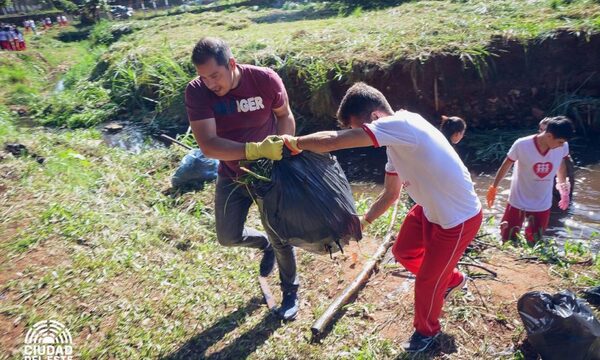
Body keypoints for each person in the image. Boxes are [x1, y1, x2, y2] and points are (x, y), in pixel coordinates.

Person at [279, 82, 483, 353]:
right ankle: (454, 279)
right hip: (429, 209)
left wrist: (293, 143)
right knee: (404, 252)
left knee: (426, 281)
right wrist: (362, 222)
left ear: (375, 117)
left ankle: (427, 332)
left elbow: (336, 141)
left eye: (358, 128)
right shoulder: (394, 145)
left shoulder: (403, 125)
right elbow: (390, 194)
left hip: (457, 217)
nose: (358, 136)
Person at [184, 37, 300, 320]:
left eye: (215, 75)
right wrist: (252, 149)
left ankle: (290, 291)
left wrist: (282, 146)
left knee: (281, 235)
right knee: (227, 236)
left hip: (267, 173)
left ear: (231, 64)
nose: (211, 83)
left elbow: (284, 115)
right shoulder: (197, 92)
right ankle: (264, 245)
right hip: (231, 174)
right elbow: (208, 145)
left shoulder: (264, 80)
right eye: (204, 77)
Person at [486, 116, 574, 243]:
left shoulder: (562, 146)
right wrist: (494, 187)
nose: (562, 145)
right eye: (560, 142)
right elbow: (506, 164)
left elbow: (561, 165)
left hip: (542, 202)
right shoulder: (522, 144)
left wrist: (563, 188)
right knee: (507, 237)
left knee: (535, 240)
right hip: (518, 199)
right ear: (549, 136)